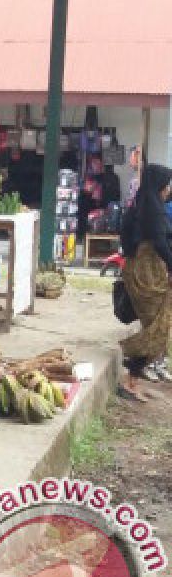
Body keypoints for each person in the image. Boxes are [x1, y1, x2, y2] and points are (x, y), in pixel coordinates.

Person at [118, 163, 172, 400]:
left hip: (140, 270)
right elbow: (160, 243)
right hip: (148, 274)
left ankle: (133, 379)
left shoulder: (140, 207)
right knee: (157, 327)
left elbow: (124, 233)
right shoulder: (154, 211)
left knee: (156, 326)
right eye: (167, 184)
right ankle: (130, 378)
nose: (168, 189)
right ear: (160, 185)